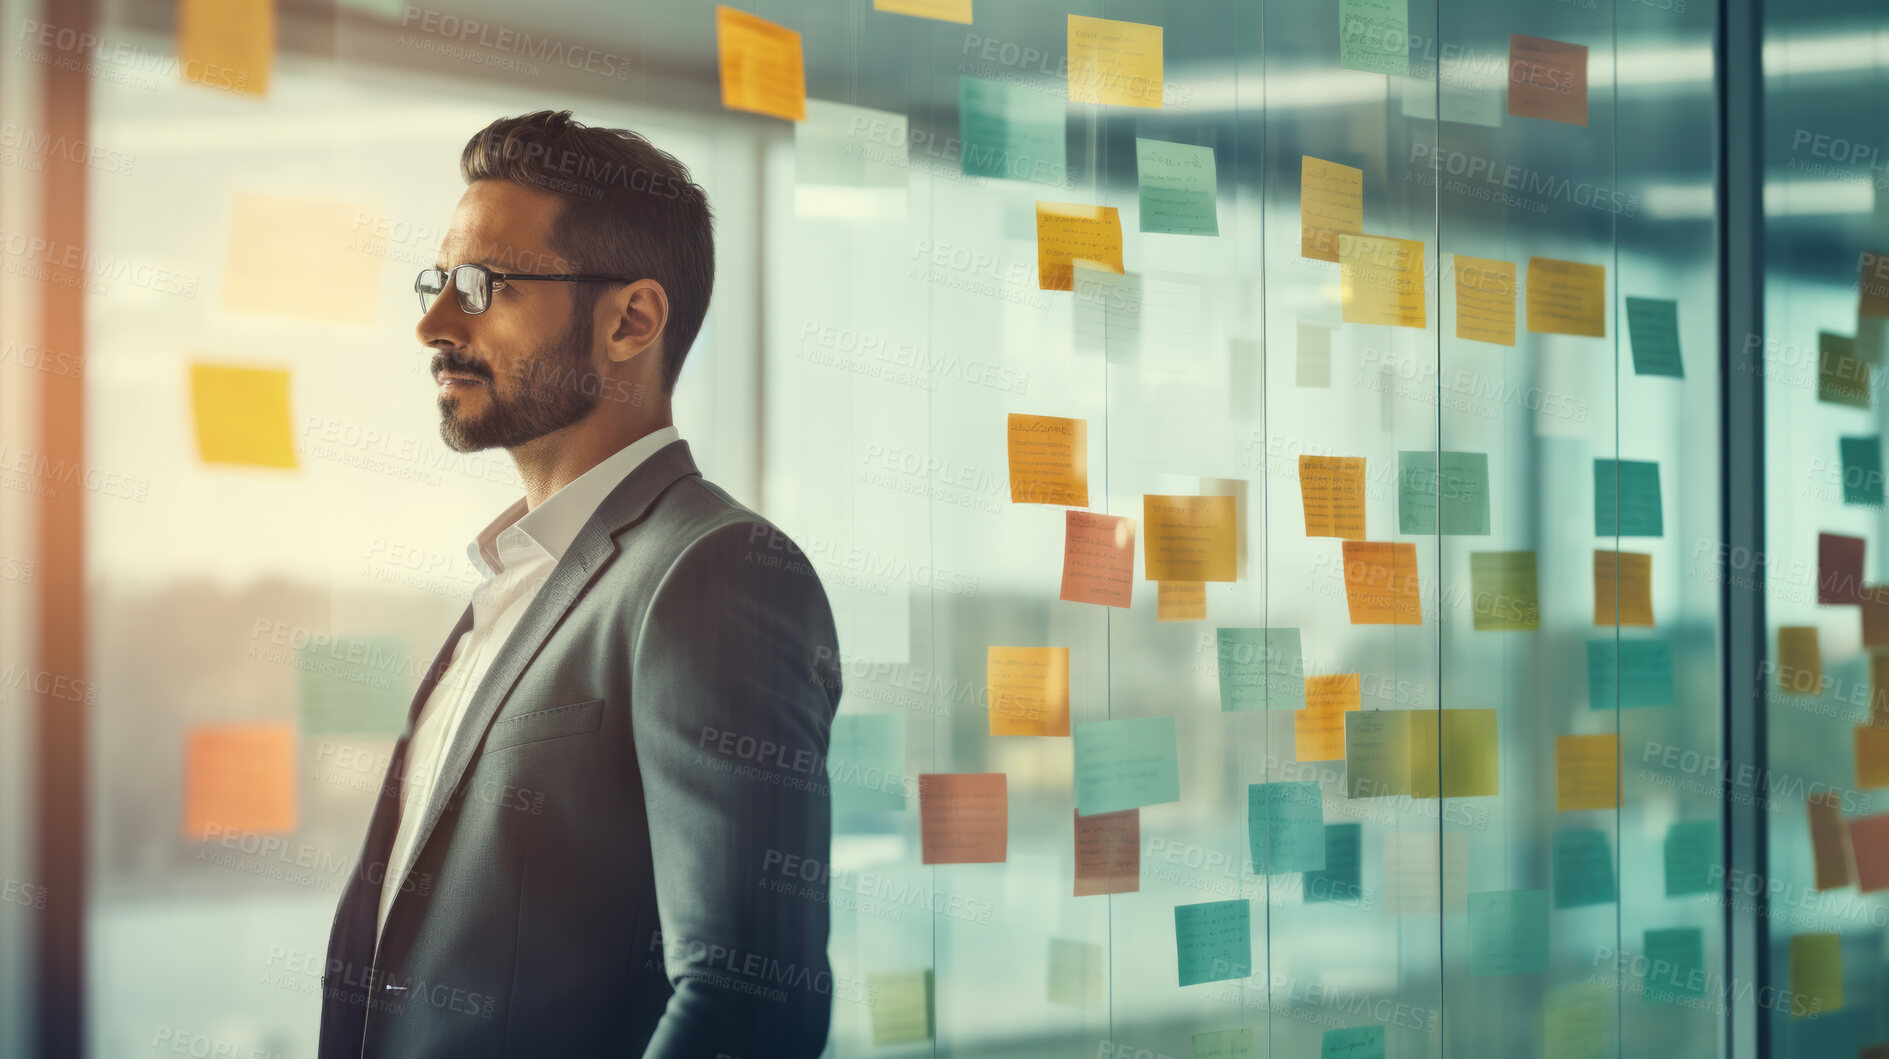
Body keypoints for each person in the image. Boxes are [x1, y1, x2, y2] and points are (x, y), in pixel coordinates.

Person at [317, 109, 842, 1058]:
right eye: (437, 281)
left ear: (630, 320)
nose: (433, 321)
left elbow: (750, 1000)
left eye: (483, 285)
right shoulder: (514, 583)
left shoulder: (712, 570)